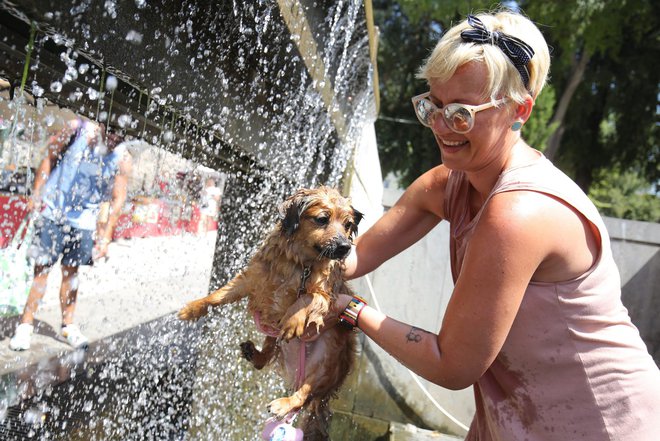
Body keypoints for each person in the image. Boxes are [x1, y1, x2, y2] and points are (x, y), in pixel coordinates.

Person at [330, 10, 660, 440]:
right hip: (517, 418)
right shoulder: (448, 185)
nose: (442, 126)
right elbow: (351, 259)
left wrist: (349, 310)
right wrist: (293, 270)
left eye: (462, 114)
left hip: (602, 423)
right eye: (433, 105)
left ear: (519, 110)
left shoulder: (519, 214)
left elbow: (453, 363)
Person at [9, 118, 132, 351]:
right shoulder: (77, 129)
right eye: (113, 130)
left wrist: (105, 236)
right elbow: (49, 157)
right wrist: (36, 193)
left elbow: (118, 199)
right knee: (42, 270)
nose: (116, 137)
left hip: (84, 223)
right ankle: (25, 325)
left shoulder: (123, 157)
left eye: (123, 134)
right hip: (52, 212)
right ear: (102, 123)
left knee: (72, 274)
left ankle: (68, 325)